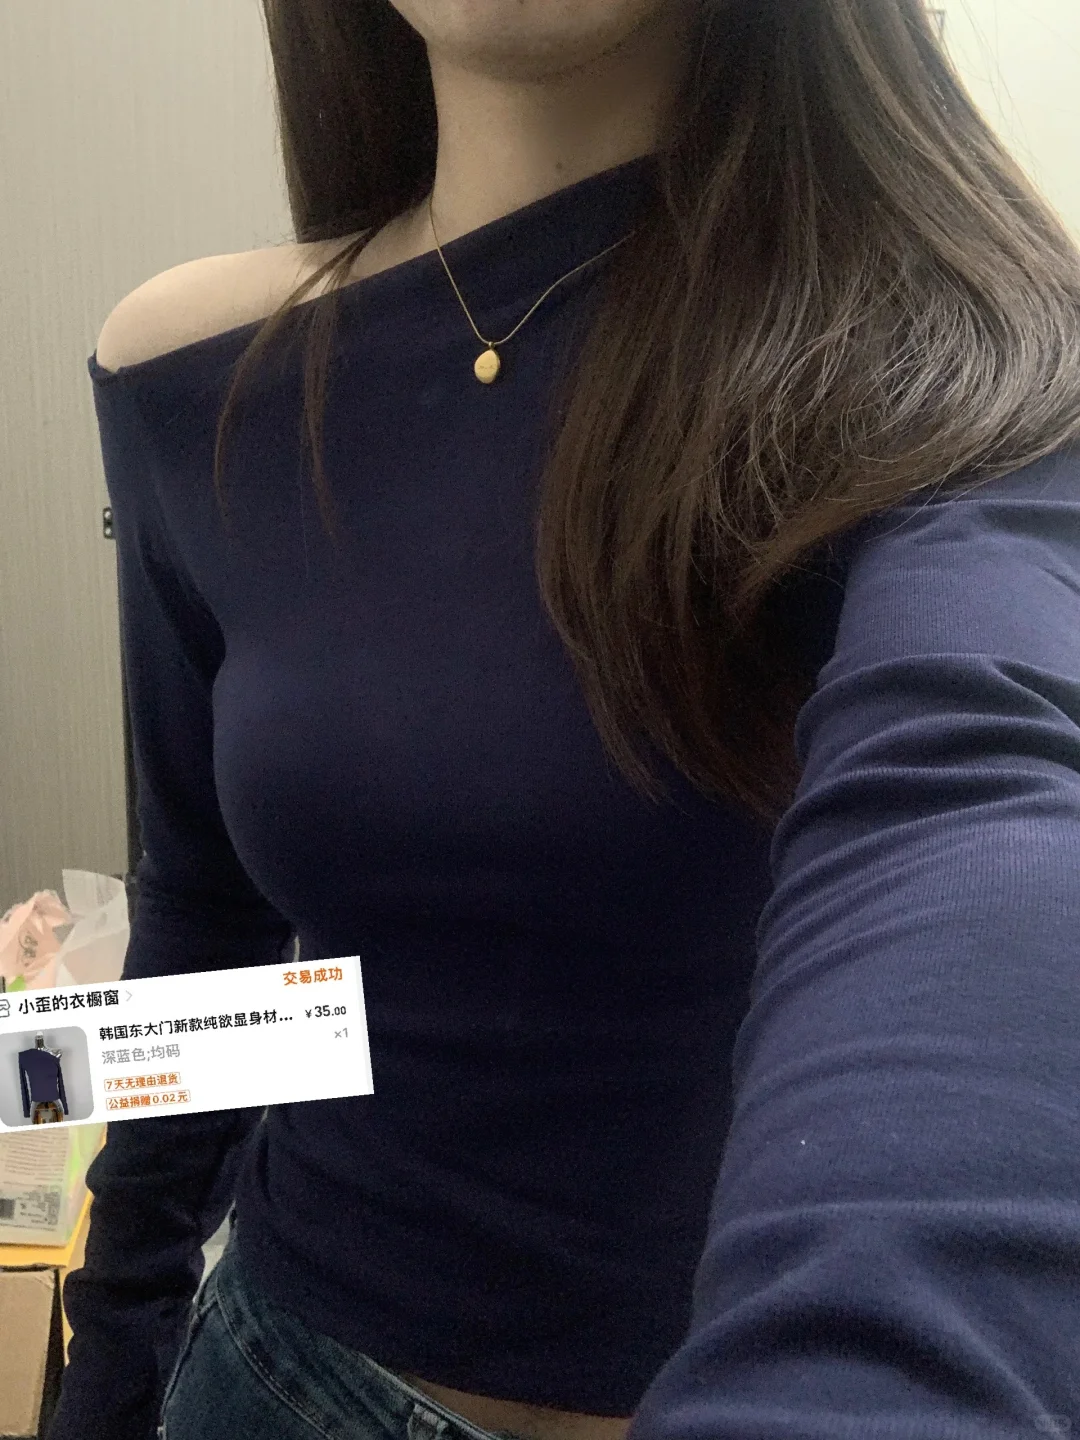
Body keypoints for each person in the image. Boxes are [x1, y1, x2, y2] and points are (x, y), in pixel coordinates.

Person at [49, 1, 1080, 1438]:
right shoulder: (192, 365)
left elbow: (995, 836)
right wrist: (113, 1341)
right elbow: (212, 915)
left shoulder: (973, 379)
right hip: (275, 1380)